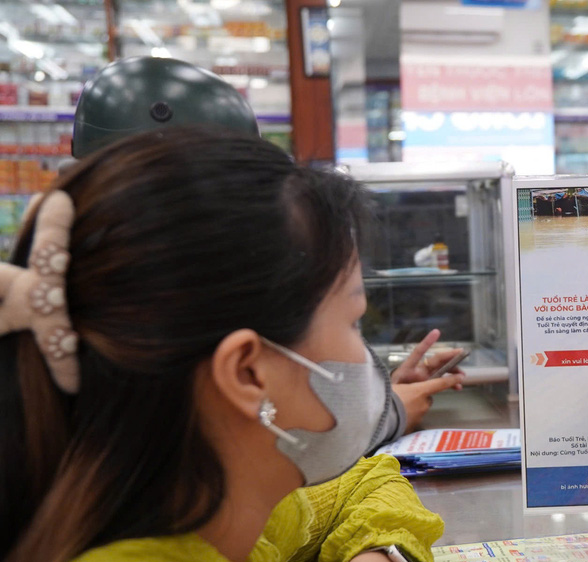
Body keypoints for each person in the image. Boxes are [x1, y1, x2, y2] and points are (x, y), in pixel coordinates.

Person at [0, 128, 572, 562]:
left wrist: (383, 557)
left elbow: (366, 480)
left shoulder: (180, 508)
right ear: (248, 372)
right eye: (353, 320)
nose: (365, 354)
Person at [70, 55, 463, 431]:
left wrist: (378, 398)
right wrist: (385, 411)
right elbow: (265, 438)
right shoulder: (160, 314)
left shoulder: (91, 291)